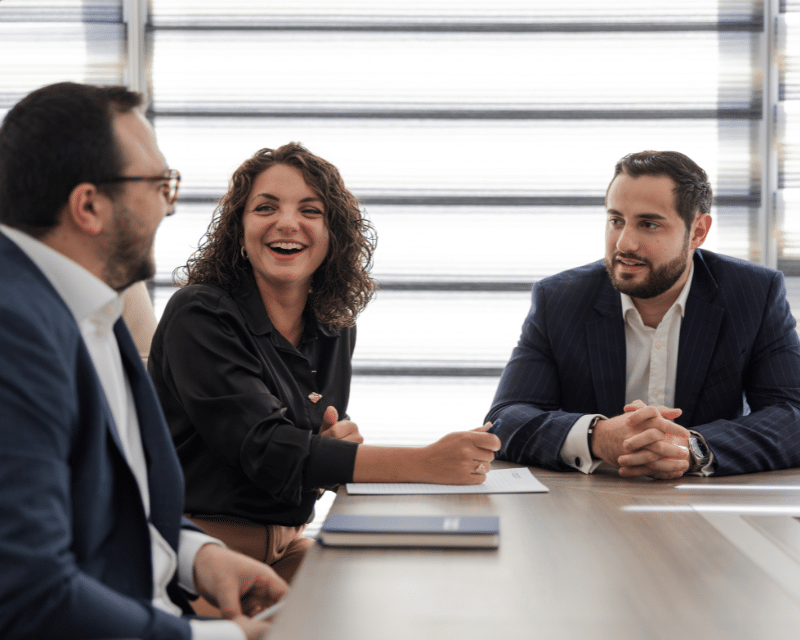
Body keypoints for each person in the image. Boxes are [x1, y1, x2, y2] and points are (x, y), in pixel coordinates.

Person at [0, 82, 287, 640]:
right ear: (89, 206)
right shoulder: (14, 329)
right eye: (159, 184)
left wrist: (199, 557)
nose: (169, 205)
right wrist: (216, 638)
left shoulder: (95, 302)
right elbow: (28, 592)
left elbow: (113, 498)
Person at [148, 143, 500, 582]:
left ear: (333, 234)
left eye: (310, 210)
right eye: (265, 207)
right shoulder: (200, 314)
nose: (287, 222)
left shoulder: (334, 324)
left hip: (289, 542)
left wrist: (331, 446)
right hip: (201, 554)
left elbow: (309, 452)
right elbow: (269, 451)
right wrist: (425, 462)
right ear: (239, 230)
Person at [487, 150, 800, 479]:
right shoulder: (560, 299)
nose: (625, 244)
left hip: (704, 499)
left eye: (648, 224)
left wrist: (692, 447)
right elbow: (506, 419)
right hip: (590, 497)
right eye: (616, 221)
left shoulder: (753, 294)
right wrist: (596, 436)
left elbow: (793, 415)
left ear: (697, 232)